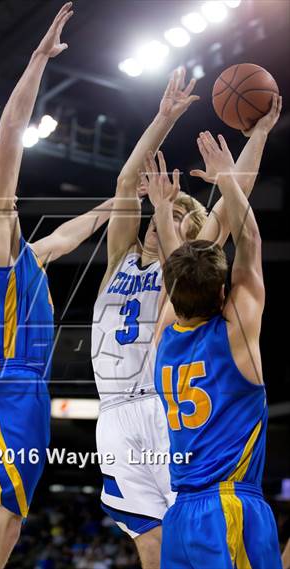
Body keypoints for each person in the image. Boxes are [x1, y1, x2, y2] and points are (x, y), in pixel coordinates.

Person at [91, 65, 279, 569]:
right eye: (165, 211)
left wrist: (246, 152)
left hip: (163, 405)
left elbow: (234, 205)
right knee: (154, 544)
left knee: (178, 533)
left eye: (178, 216)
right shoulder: (121, 260)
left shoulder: (181, 277)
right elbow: (128, 181)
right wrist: (163, 118)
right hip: (114, 411)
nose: (167, 220)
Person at [0, 4, 114, 568]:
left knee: (4, 537)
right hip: (9, 383)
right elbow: (11, 132)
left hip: (21, 388)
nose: (12, 197)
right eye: (1, 192)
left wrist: (120, 201)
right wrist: (38, 60)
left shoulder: (22, 257)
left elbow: (66, 237)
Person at [152, 127, 282, 568]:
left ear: (170, 291)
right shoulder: (236, 336)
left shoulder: (163, 336)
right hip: (229, 509)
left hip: (180, 517)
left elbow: (215, 241)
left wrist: (164, 209)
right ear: (224, 288)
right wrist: (229, 172)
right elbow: (249, 239)